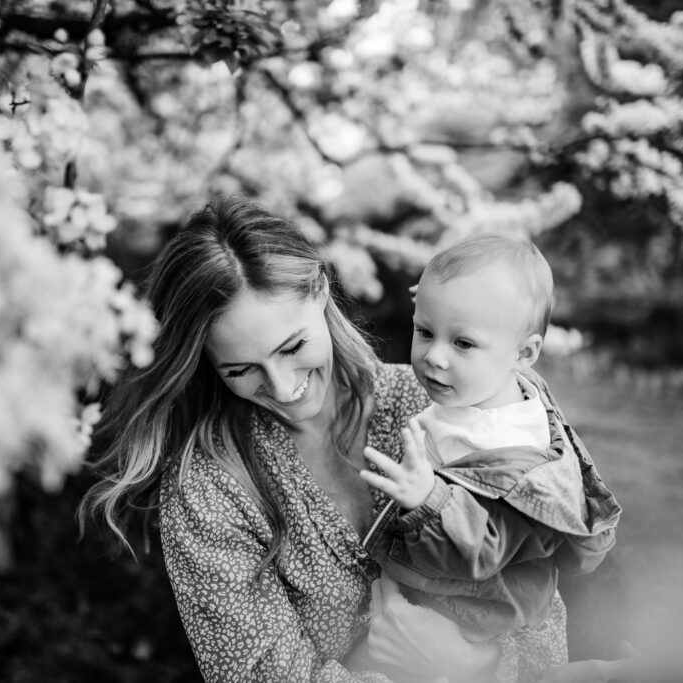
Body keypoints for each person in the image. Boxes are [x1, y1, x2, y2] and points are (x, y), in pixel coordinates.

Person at [79, 195, 634, 682]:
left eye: (292, 347)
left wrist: (481, 669)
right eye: (240, 369)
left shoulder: (435, 405)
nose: (283, 386)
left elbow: (535, 581)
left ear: (321, 291)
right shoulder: (209, 493)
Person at [359, 235, 621, 683]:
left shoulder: (513, 462)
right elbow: (483, 324)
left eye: (462, 343)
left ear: (525, 354)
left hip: (470, 617)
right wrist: (449, 309)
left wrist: (428, 500)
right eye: (425, 331)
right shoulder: (503, 383)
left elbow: (480, 551)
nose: (434, 357)